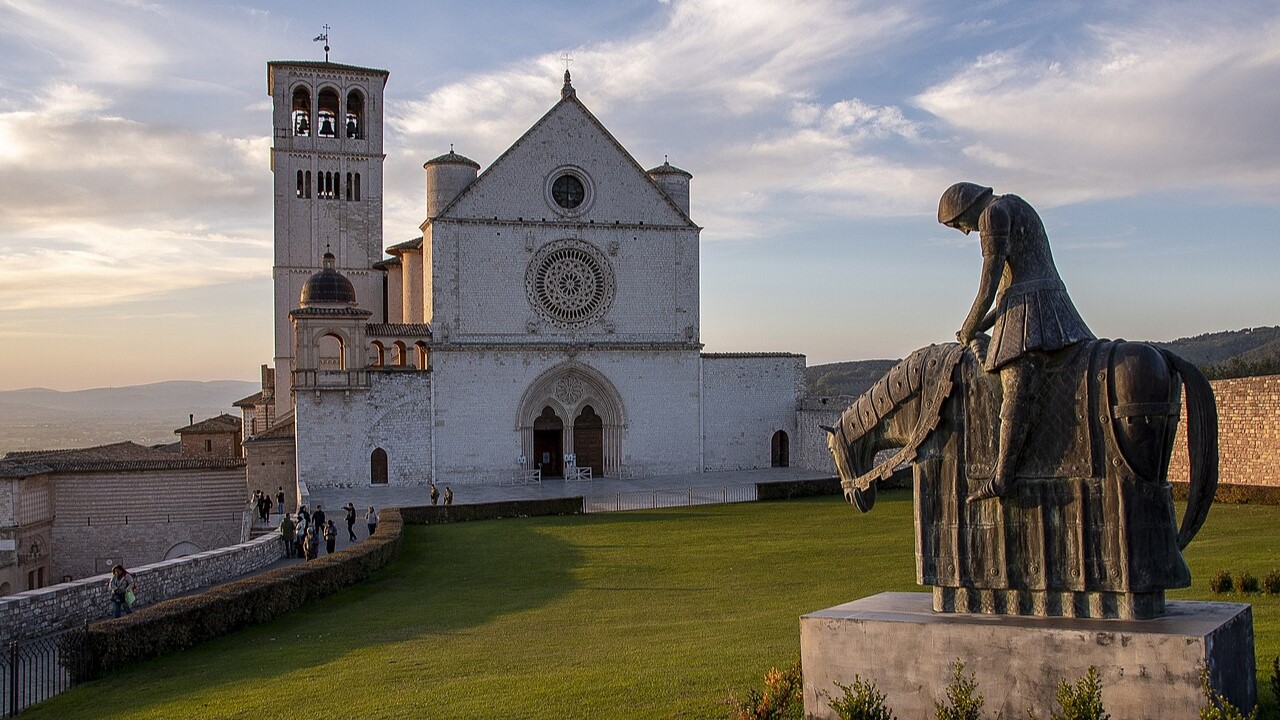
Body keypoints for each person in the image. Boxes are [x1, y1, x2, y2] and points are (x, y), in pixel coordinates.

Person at [938, 182, 1094, 502]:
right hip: (1037, 301)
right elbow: (1009, 290)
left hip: (1034, 310)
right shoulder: (1013, 204)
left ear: (965, 210)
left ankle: (1002, 476)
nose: (964, 233)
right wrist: (981, 325)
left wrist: (969, 327)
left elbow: (989, 284)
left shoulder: (992, 216)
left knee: (1015, 384)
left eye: (957, 225)